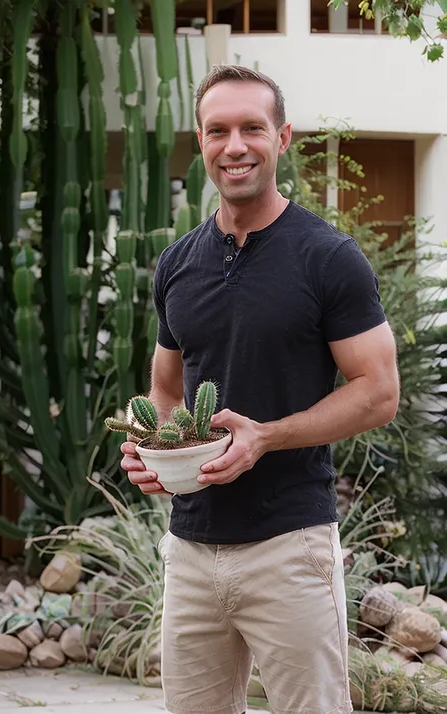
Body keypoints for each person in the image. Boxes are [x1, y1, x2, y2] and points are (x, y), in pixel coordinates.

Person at [120, 65, 399, 714]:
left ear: (284, 138)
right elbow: (165, 386)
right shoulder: (177, 263)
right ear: (201, 141)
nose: (235, 145)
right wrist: (156, 450)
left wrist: (265, 438)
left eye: (252, 128)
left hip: (288, 546)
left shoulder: (327, 257)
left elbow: (379, 391)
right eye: (218, 130)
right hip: (191, 547)